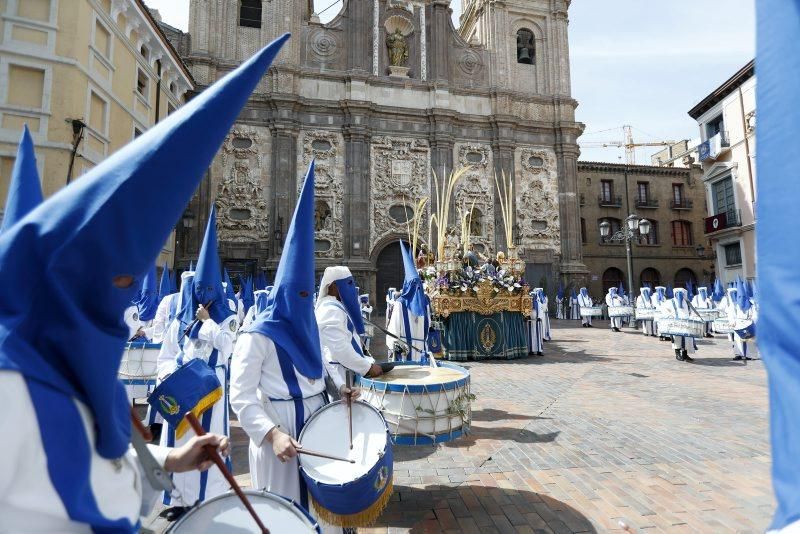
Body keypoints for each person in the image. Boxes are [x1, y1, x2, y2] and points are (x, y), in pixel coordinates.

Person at [0, 30, 289, 530]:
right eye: (113, 286)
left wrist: (171, 460)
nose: (119, 307)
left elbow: (100, 465)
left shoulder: (86, 375)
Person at [230, 163, 355, 531]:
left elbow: (318, 372)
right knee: (284, 516)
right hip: (278, 429)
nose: (303, 302)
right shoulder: (256, 335)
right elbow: (241, 397)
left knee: (323, 511)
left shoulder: (310, 326)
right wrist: (271, 433)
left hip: (318, 425)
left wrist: (338, 391)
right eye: (297, 295)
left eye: (307, 295)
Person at [157, 206, 239, 519]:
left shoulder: (227, 319)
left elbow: (228, 346)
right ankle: (178, 500)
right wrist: (168, 376)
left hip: (211, 392)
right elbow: (165, 356)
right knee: (179, 444)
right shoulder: (178, 322)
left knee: (207, 444)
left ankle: (210, 496)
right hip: (181, 390)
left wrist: (207, 323)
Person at [316, 266, 383, 390]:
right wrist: (367, 368)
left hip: (346, 369)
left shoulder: (335, 307)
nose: (351, 288)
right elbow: (340, 348)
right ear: (334, 286)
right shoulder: (330, 310)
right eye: (348, 283)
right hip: (340, 376)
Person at [388, 241, 432, 361]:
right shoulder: (401, 304)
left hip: (418, 350)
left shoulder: (422, 303)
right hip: (406, 351)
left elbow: (392, 332)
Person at [661, 288, 696, 362]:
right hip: (676, 324)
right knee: (677, 339)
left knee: (686, 339)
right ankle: (677, 354)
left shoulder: (687, 302)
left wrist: (691, 318)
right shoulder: (670, 302)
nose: (679, 295)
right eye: (678, 293)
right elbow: (664, 311)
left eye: (681, 293)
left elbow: (692, 311)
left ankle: (685, 354)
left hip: (686, 324)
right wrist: (671, 317)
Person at [528, 290, 545, 356]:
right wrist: (527, 316)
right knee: (530, 336)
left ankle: (539, 350)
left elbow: (541, 311)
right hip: (530, 323)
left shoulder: (539, 303)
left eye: (533, 296)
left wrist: (539, 317)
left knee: (538, 336)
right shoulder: (528, 303)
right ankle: (531, 350)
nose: (532, 297)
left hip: (537, 323)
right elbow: (526, 311)